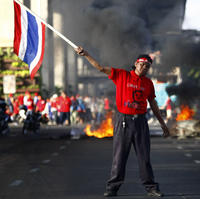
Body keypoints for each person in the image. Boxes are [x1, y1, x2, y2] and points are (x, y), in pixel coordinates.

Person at [75, 46, 170, 198]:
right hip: (123, 121)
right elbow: (99, 67)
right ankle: (112, 188)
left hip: (141, 123)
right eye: (142, 63)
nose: (144, 67)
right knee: (119, 157)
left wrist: (163, 124)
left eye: (147, 66)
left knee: (144, 157)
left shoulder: (148, 83)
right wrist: (86, 54)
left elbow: (153, 105)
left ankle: (151, 188)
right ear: (136, 63)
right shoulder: (122, 75)